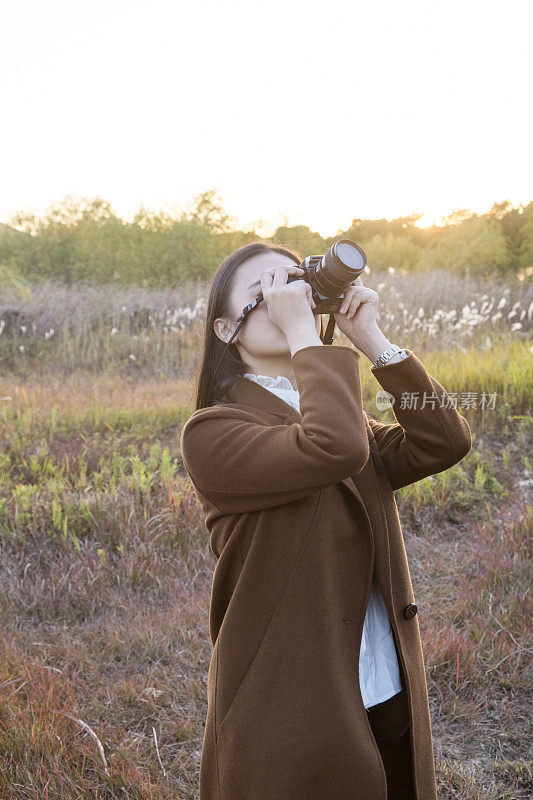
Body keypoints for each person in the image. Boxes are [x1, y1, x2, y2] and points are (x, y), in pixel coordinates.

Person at [180, 241, 472, 800]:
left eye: (292, 282)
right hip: (290, 698)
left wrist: (373, 342)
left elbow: (444, 441)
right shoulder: (212, 434)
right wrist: (308, 339)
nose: (285, 296)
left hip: (381, 674)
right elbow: (333, 448)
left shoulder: (337, 412)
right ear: (225, 330)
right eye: (264, 290)